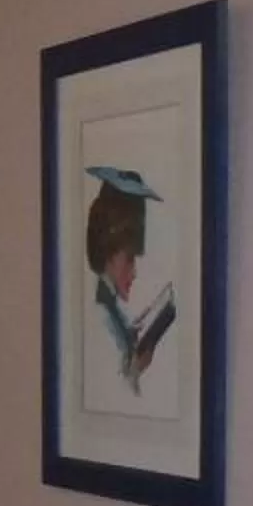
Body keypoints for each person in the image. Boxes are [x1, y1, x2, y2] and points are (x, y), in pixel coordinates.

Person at [86, 165, 176, 392]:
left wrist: (130, 335)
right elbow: (117, 387)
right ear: (107, 252)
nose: (134, 273)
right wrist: (136, 366)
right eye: (129, 259)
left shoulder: (107, 309)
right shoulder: (100, 317)